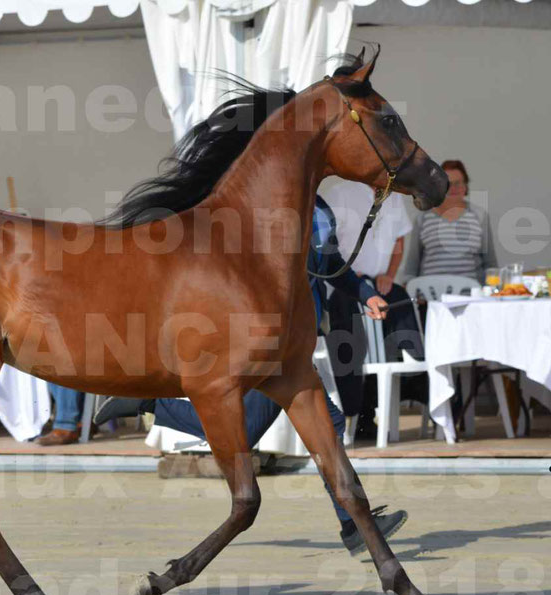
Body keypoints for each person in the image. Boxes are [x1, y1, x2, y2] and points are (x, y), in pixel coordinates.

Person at [92, 196, 409, 555]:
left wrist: (365, 293)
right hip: (265, 345)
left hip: (292, 346)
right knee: (274, 428)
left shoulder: (319, 209)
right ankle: (146, 402)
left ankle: (353, 525)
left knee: (320, 426)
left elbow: (332, 264)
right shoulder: (266, 204)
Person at [323, 180, 424, 439]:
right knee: (352, 346)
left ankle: (418, 380)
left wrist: (390, 275)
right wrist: (348, 276)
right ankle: (353, 412)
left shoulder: (394, 195)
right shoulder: (339, 191)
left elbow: (400, 239)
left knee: (402, 310)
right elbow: (326, 243)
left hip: (380, 283)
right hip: (346, 286)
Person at [403, 159, 496, 281]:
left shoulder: (480, 216)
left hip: (472, 294)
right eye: (448, 184)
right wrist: (411, 289)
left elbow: (490, 264)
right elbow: (412, 264)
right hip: (430, 295)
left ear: (465, 186)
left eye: (458, 183)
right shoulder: (423, 218)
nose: (453, 189)